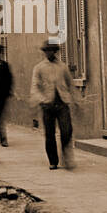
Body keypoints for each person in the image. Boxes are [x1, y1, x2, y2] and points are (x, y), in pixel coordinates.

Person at [29, 38, 75, 169]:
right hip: (47, 105)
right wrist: (42, 99)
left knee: (67, 131)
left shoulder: (62, 66)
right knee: (49, 134)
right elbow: (34, 87)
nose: (49, 53)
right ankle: (53, 161)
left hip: (62, 103)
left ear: (55, 52)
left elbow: (70, 84)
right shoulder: (39, 68)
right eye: (47, 51)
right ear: (44, 53)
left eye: (52, 51)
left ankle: (66, 155)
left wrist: (74, 99)